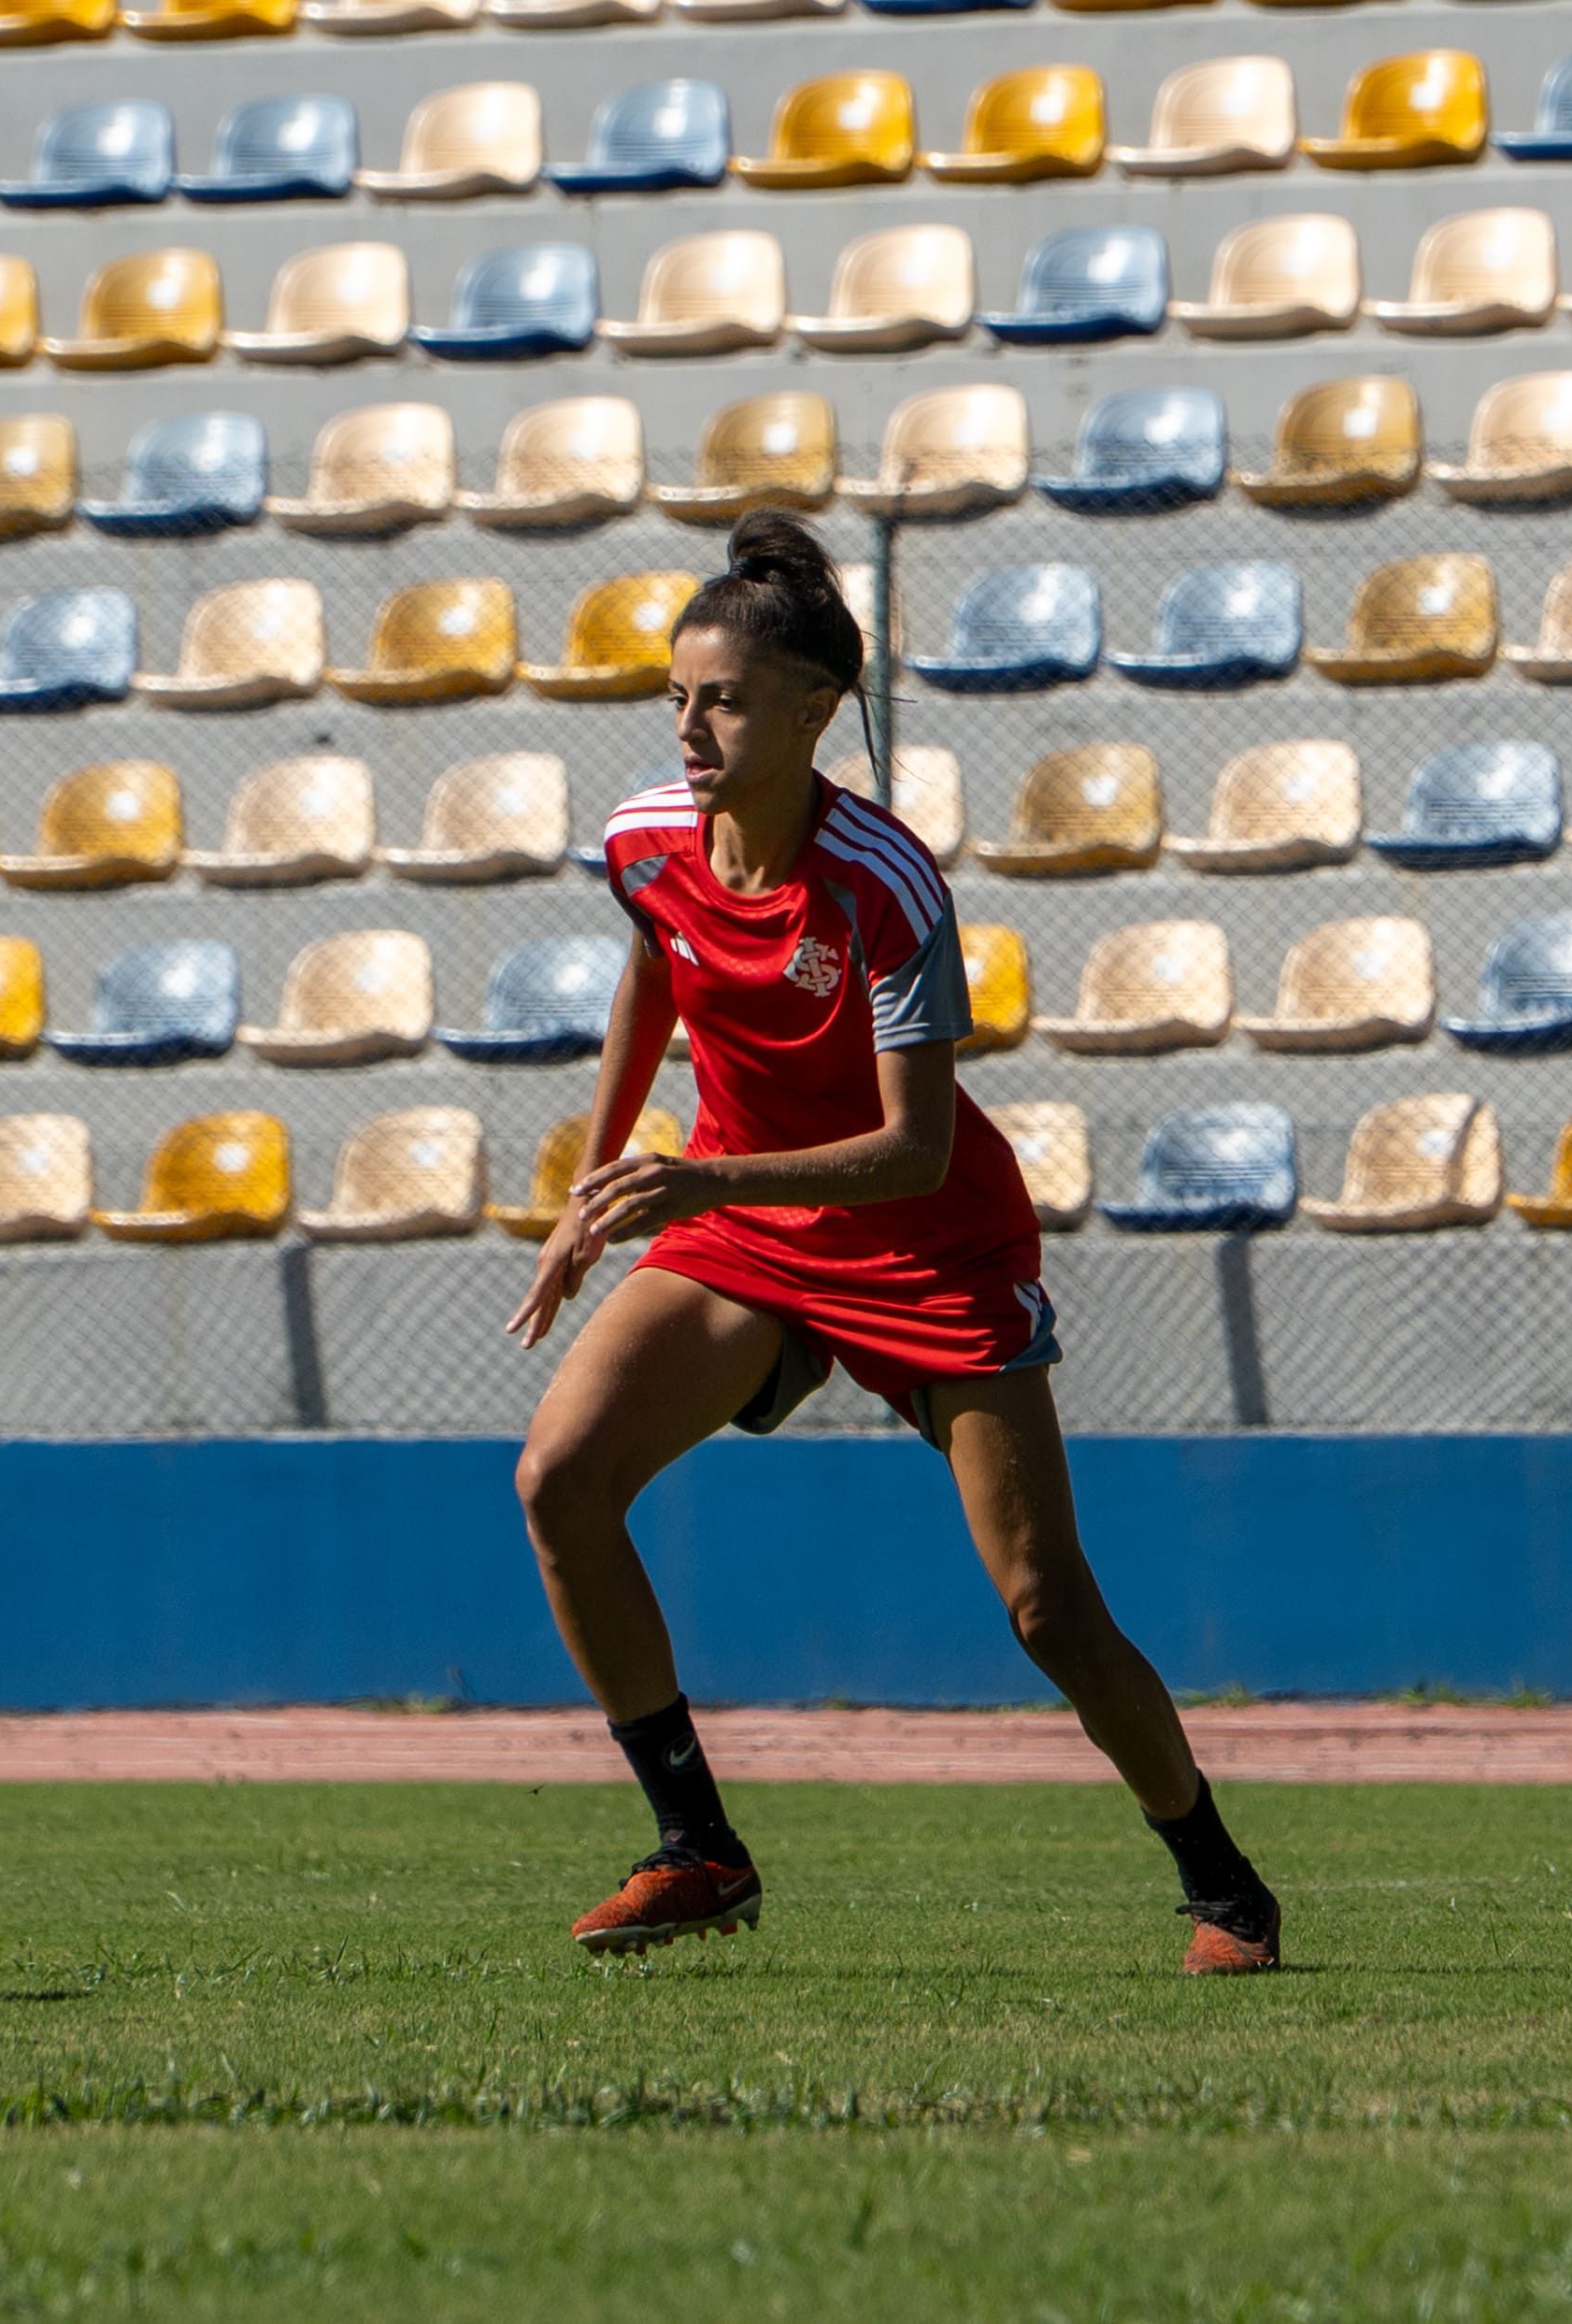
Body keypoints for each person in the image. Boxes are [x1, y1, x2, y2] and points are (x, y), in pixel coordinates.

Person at [507, 513, 1281, 1975]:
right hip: (749, 1227)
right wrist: (593, 1182)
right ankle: (697, 1846)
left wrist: (699, 1178)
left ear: (816, 712)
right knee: (559, 1478)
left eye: (724, 701)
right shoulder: (642, 840)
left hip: (924, 1241)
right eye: (676, 698)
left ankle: (1222, 1880)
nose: (689, 729)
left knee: (1047, 1606)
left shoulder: (885, 881)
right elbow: (654, 970)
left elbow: (912, 1148)